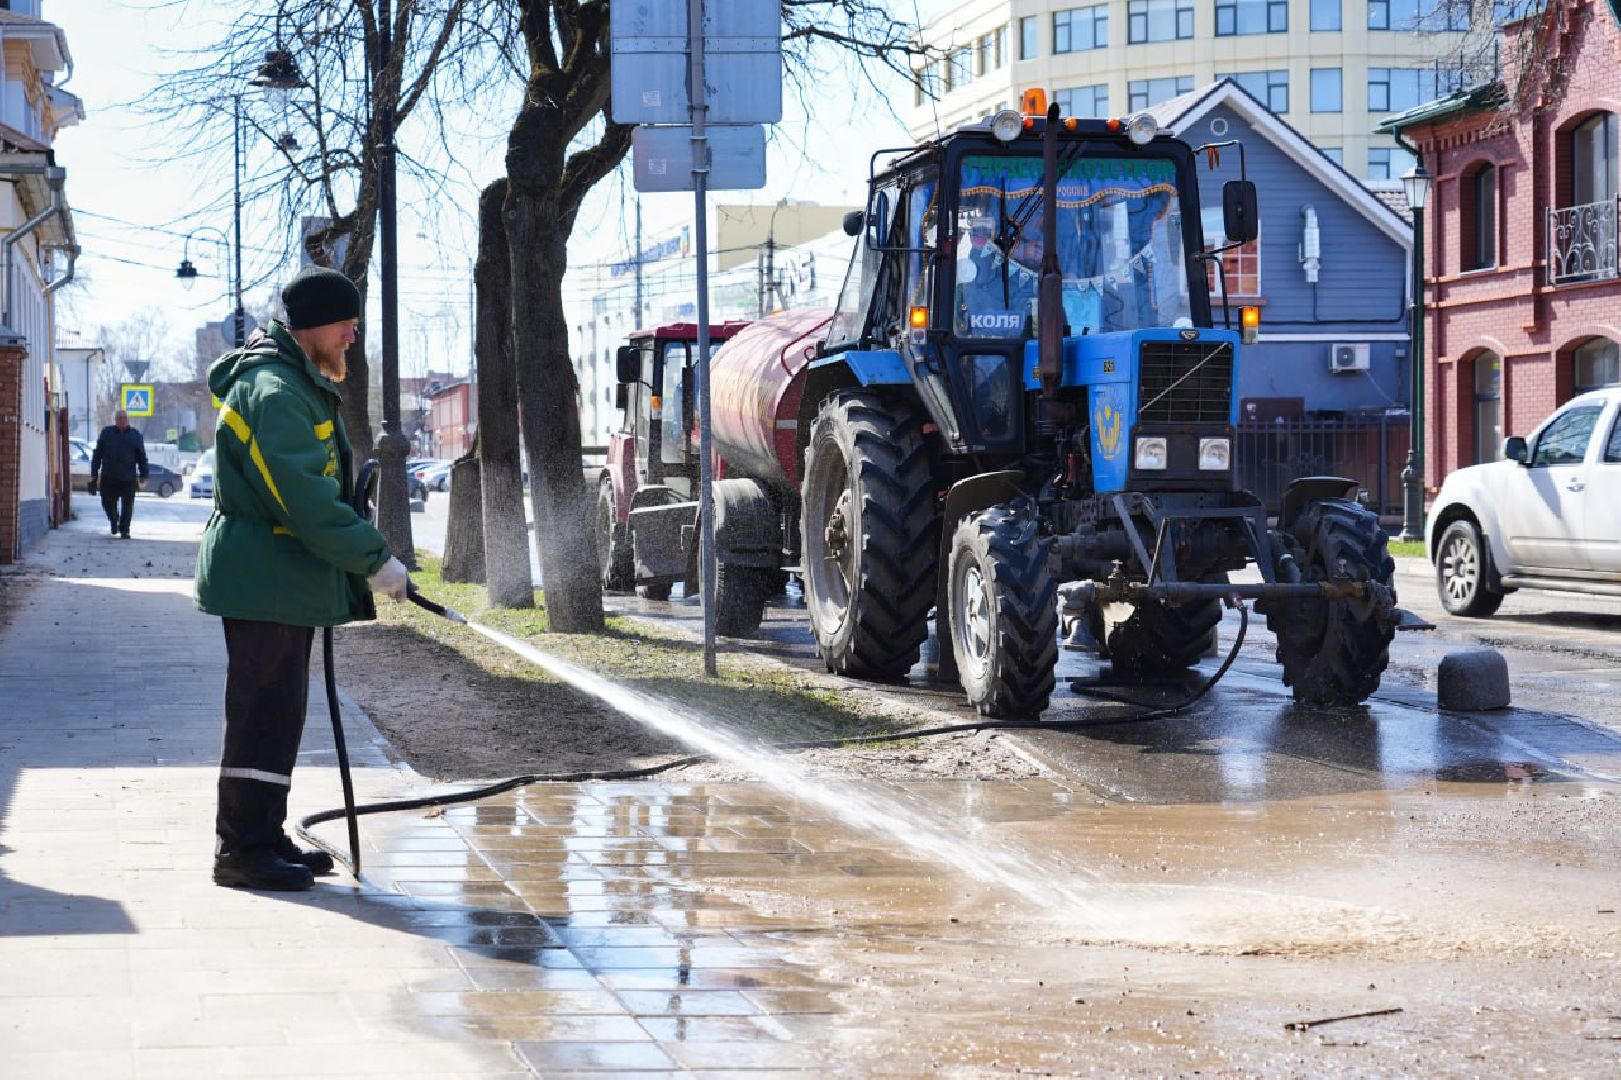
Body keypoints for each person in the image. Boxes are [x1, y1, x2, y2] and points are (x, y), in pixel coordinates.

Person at [194, 265, 411, 892]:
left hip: (280, 578)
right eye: (347, 324)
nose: (352, 337)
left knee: (279, 713)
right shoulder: (275, 393)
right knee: (261, 714)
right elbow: (305, 502)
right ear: (314, 324)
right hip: (265, 577)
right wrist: (374, 559)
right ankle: (240, 849)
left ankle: (263, 834)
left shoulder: (295, 382)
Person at [88, 409, 148, 539]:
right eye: (119, 418)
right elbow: (97, 454)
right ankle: (114, 519)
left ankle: (125, 530)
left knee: (128, 505)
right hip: (109, 476)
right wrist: (94, 473)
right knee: (107, 502)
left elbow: (141, 456)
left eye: (124, 418)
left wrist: (144, 474)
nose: (122, 420)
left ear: (128, 420)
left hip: (128, 477)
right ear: (115, 420)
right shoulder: (107, 433)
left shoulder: (135, 435)